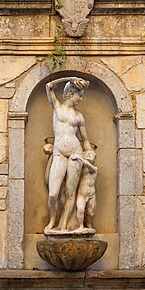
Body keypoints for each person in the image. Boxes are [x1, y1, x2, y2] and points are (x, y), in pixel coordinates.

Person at [44, 76, 93, 233]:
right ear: (72, 93)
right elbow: (49, 86)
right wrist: (69, 78)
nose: (81, 98)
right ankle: (52, 221)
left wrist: (89, 151)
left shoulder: (79, 116)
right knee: (53, 193)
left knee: (70, 193)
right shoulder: (57, 107)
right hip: (59, 153)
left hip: (75, 154)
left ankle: (63, 225)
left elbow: (85, 140)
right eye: (80, 95)